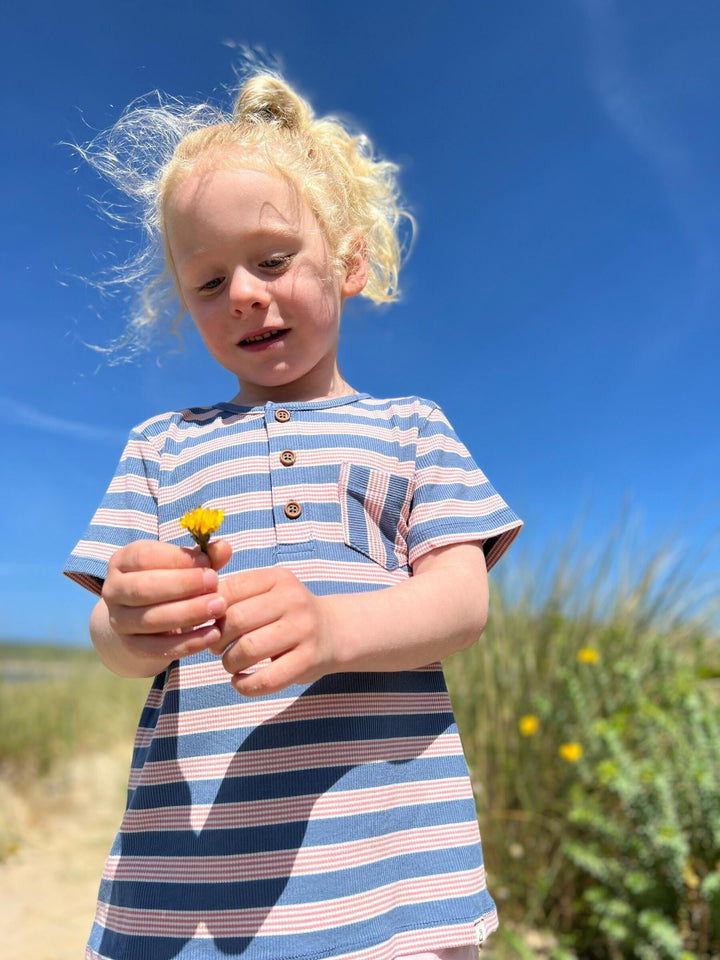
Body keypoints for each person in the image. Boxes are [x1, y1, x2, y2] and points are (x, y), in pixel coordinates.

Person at [64, 69, 523, 960]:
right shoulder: (162, 445)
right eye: (206, 281)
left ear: (347, 262)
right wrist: (130, 621)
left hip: (393, 877)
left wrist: (335, 627)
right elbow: (111, 641)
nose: (242, 292)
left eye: (272, 261)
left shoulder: (409, 428)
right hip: (192, 885)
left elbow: (463, 604)